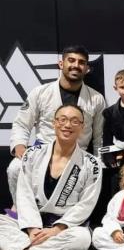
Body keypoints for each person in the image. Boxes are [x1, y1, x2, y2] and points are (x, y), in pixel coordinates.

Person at [0, 104, 101, 250]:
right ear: (54, 123)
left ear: (82, 127)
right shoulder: (32, 154)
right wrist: (33, 229)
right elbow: (24, 195)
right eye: (62, 119)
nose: (67, 125)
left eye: (75, 121)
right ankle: (37, 249)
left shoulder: (91, 163)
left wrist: (56, 230)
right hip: (32, 225)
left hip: (63, 228)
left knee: (81, 239)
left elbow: (86, 204)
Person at [7, 45, 105, 206]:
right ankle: (21, 211)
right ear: (61, 64)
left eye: (81, 62)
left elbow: (99, 136)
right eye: (71, 60)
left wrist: (98, 161)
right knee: (15, 168)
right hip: (42, 151)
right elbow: (22, 123)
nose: (76, 65)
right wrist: (19, 146)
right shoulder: (40, 92)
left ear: (87, 68)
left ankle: (70, 217)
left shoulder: (96, 99)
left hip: (77, 155)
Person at [100, 69, 124, 194]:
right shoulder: (109, 112)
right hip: (117, 159)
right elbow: (107, 137)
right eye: (122, 87)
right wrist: (108, 157)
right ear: (115, 88)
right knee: (117, 192)